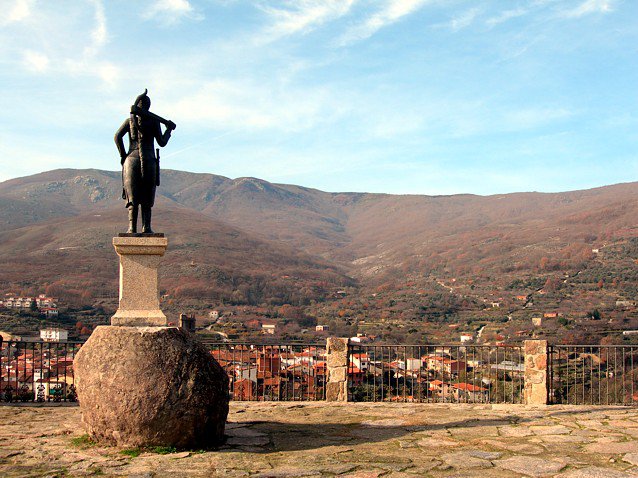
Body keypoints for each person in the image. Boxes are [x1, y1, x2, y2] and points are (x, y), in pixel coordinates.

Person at [114, 89, 174, 233]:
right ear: (148, 107)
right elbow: (162, 142)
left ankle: (131, 228)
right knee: (147, 196)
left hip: (131, 160)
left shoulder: (130, 121)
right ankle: (146, 227)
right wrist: (169, 130)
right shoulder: (153, 122)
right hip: (148, 159)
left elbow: (117, 137)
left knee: (133, 196)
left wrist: (124, 156)